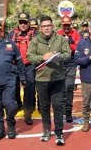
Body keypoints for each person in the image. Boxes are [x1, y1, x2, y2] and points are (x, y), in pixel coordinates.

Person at [27, 15, 71, 145]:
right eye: (44, 26)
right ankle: (46, 131)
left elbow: (68, 54)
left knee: (58, 106)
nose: (46, 28)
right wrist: (42, 57)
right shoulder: (35, 41)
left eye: (49, 26)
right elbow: (30, 56)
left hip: (58, 78)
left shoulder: (61, 39)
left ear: (53, 26)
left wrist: (58, 57)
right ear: (40, 28)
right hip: (41, 79)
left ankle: (59, 133)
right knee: (44, 107)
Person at [8, 12, 37, 125]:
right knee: (13, 88)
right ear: (18, 22)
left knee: (29, 90)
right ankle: (17, 106)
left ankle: (28, 112)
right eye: (21, 22)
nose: (23, 24)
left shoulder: (35, 35)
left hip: (29, 66)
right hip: (14, 65)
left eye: (25, 22)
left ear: (29, 23)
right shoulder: (11, 34)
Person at [57, 16, 81, 122]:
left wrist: (68, 44)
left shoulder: (75, 34)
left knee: (69, 87)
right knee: (60, 88)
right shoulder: (57, 33)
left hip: (71, 63)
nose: (66, 27)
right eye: (64, 25)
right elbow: (55, 47)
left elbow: (78, 47)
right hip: (60, 63)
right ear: (62, 25)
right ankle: (61, 110)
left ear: (71, 24)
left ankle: (68, 111)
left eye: (68, 25)